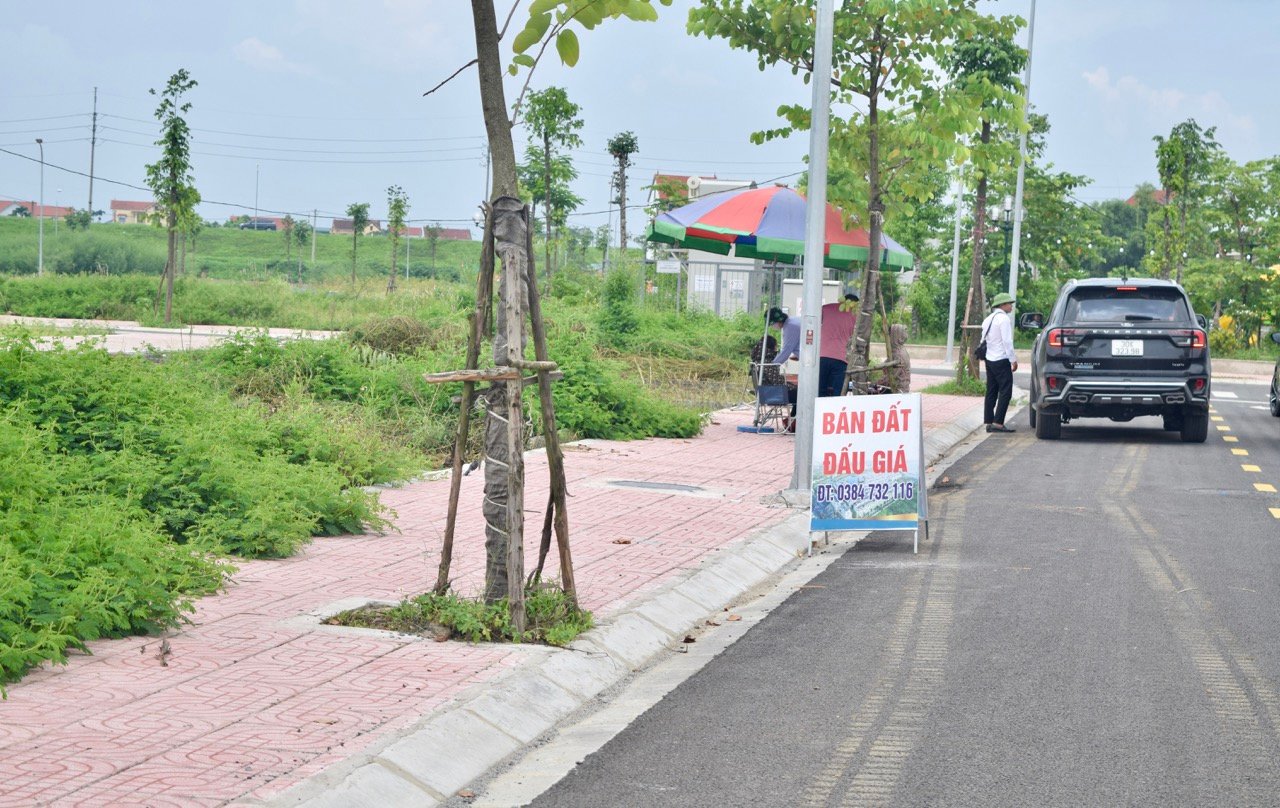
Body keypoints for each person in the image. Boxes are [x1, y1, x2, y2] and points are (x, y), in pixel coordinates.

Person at [981, 292, 1018, 433]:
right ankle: (998, 423)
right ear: (1002, 305)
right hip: (1001, 359)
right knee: (1005, 391)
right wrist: (1013, 360)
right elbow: (1007, 341)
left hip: (989, 359)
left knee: (991, 390)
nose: (1011, 306)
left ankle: (989, 421)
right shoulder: (1003, 319)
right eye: (1009, 304)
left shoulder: (988, 319)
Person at [767, 307, 801, 431]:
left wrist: (772, 365)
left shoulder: (790, 327)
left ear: (777, 321)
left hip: (811, 363)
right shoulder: (793, 322)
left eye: (772, 324)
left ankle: (795, 420)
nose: (773, 327)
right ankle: (793, 419)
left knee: (801, 393)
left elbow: (786, 350)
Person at [819, 293, 859, 396]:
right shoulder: (856, 316)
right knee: (838, 392)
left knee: (820, 389)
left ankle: (819, 411)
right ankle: (834, 411)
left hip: (822, 356)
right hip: (841, 359)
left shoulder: (826, 308)